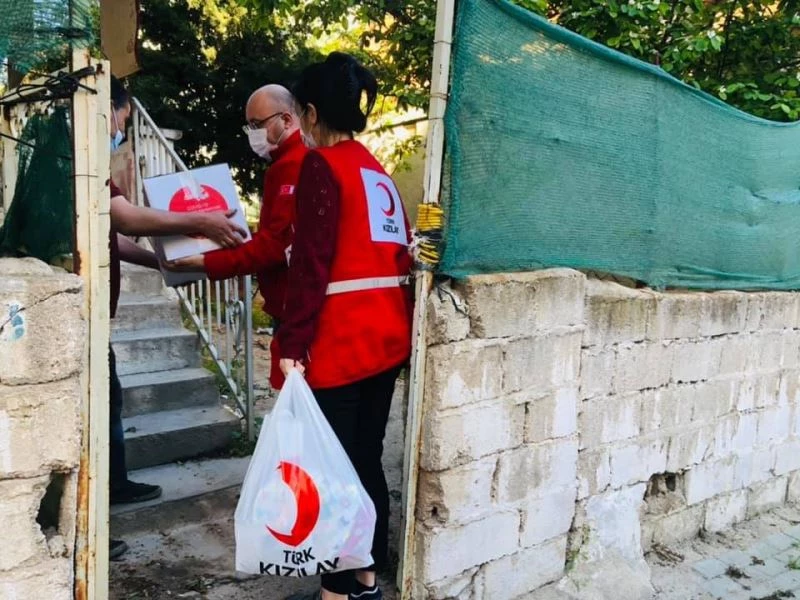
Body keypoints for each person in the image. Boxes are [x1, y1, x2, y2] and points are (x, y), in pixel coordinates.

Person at [278, 53, 414, 600]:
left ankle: (336, 589)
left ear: (310, 113)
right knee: (366, 459)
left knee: (334, 469)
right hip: (386, 339)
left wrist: (291, 341)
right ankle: (365, 576)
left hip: (342, 342)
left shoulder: (322, 166)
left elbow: (312, 264)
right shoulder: (376, 171)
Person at [106, 76, 247, 560]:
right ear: (108, 111)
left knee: (109, 402)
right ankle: (91, 523)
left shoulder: (88, 164)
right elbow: (124, 218)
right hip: (76, 324)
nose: (119, 134)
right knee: (93, 415)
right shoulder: (81, 166)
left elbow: (113, 238)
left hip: (94, 324)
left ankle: (116, 484)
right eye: (121, 123)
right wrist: (199, 221)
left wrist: (161, 263)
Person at [169, 84, 307, 389]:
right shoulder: (287, 162)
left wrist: (207, 261)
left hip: (293, 307)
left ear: (287, 119)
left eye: (257, 125)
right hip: (292, 304)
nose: (252, 134)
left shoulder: (295, 164)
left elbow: (275, 246)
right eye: (249, 126)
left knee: (297, 403)